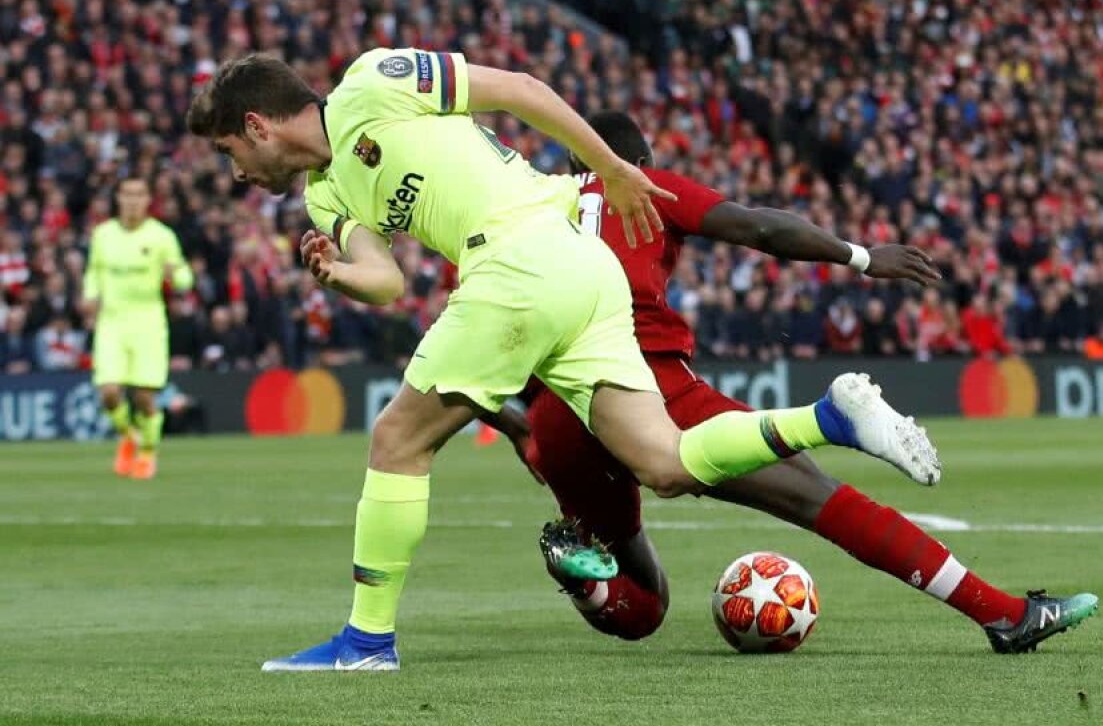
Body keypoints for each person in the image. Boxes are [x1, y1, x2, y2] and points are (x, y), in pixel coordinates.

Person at [187, 48, 940, 671]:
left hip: (517, 260)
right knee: (665, 460)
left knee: (397, 440)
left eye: (230, 153)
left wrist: (609, 164)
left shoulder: (375, 81)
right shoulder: (325, 196)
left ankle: (365, 642)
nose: (236, 175)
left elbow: (518, 90)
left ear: (256, 125)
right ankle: (829, 416)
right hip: (580, 273)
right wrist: (338, 275)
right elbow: (385, 280)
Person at [522, 111, 1098, 654]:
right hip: (649, 384)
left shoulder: (539, 211)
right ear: (640, 159)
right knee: (816, 495)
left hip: (557, 410)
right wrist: (863, 257)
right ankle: (1002, 614)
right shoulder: (649, 187)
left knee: (642, 603)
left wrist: (529, 435)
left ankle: (583, 579)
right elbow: (761, 228)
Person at [81, 177, 193, 480]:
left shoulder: (161, 236)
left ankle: (148, 451)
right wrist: (90, 295)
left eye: (139, 194)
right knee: (109, 392)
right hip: (112, 322)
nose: (132, 200)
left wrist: (177, 276)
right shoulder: (103, 235)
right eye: (127, 194)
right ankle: (127, 435)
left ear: (147, 200)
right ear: (117, 198)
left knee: (145, 396)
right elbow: (94, 271)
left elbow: (185, 278)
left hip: (148, 322)